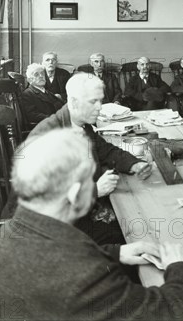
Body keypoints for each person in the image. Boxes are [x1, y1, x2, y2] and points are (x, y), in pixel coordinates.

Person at [0, 129, 183, 321]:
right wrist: (180, 266)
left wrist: (117, 253)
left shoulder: (18, 228)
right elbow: (178, 312)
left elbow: (65, 253)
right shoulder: (82, 275)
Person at [30, 73, 151, 244]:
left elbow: (106, 151)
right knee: (133, 233)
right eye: (93, 102)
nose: (99, 107)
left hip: (82, 210)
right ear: (73, 102)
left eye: (100, 101)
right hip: (54, 229)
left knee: (138, 222)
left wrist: (135, 164)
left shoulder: (81, 125)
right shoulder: (47, 136)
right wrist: (95, 190)